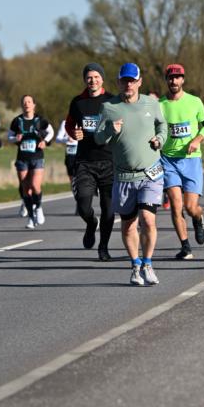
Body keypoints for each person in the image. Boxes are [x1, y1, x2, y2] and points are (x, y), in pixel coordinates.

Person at [94, 63, 167, 286]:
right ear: (118, 82)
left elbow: (162, 126)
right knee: (128, 225)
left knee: (148, 219)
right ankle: (135, 265)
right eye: (124, 80)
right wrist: (109, 130)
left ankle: (147, 263)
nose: (128, 84)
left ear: (139, 82)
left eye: (132, 80)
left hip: (150, 173)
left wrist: (160, 140)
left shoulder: (151, 104)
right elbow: (97, 138)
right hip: (124, 177)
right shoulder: (109, 107)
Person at [159, 63, 204, 260]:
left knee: (190, 207)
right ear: (167, 80)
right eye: (170, 77)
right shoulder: (160, 105)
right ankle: (185, 246)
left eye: (177, 77)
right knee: (175, 204)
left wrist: (197, 140)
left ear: (183, 80)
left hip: (191, 160)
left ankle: (198, 219)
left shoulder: (194, 101)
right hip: (168, 159)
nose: (174, 81)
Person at [65, 63, 115, 261]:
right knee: (83, 204)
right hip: (85, 161)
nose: (92, 80)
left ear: (102, 79)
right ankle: (91, 223)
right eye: (89, 77)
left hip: (109, 161)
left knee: (109, 210)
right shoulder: (78, 102)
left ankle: (103, 247)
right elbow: (69, 125)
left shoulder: (112, 101)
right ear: (85, 80)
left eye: (96, 77)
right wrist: (74, 133)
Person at [9, 95, 54, 229]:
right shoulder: (17, 121)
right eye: (24, 102)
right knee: (25, 189)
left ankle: (38, 207)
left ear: (34, 105)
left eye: (29, 102)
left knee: (35, 186)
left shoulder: (40, 120)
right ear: (22, 105)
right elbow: (9, 136)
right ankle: (30, 217)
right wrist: (15, 138)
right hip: (22, 158)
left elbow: (50, 132)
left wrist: (44, 141)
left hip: (37, 157)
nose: (27, 104)